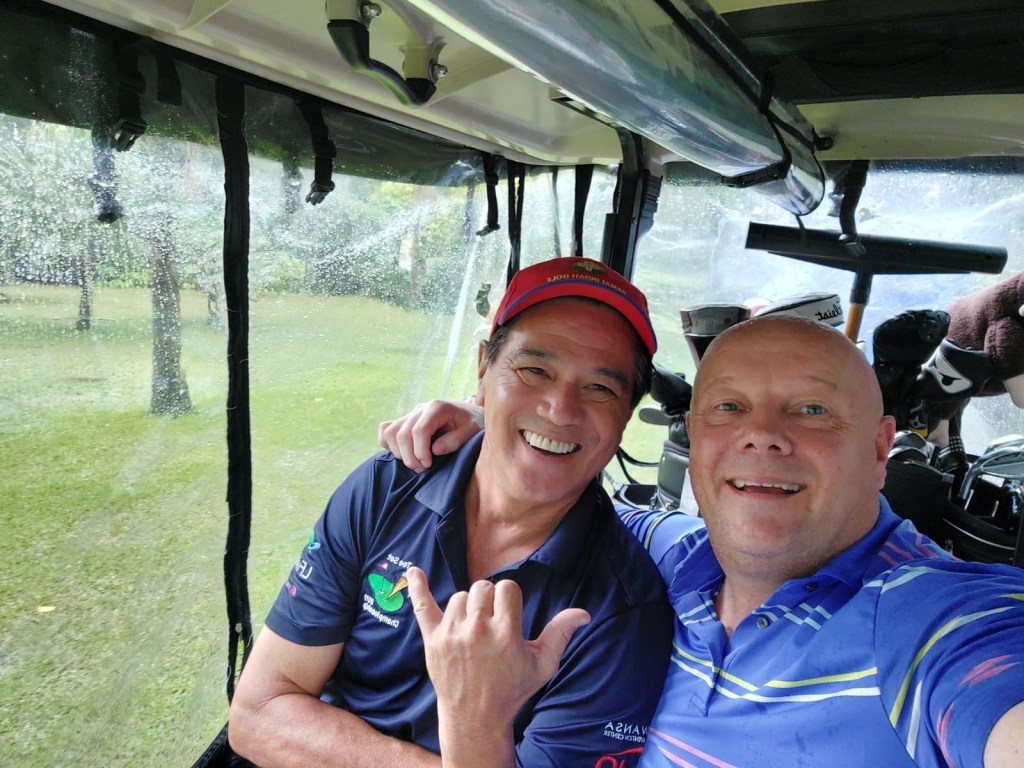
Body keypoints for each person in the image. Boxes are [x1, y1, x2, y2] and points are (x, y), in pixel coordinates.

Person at [382, 314, 1024, 768]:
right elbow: (567, 496)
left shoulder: (936, 622)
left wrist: (475, 724)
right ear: (692, 438)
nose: (762, 434)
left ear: (881, 448)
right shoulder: (674, 555)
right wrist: (498, 426)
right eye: (729, 408)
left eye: (812, 410)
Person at [228, 257, 674, 768]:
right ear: (484, 369)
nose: (560, 408)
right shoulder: (387, 487)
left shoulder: (624, 613)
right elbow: (257, 712)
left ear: (626, 415)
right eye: (534, 370)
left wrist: (474, 721)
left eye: (600, 388)